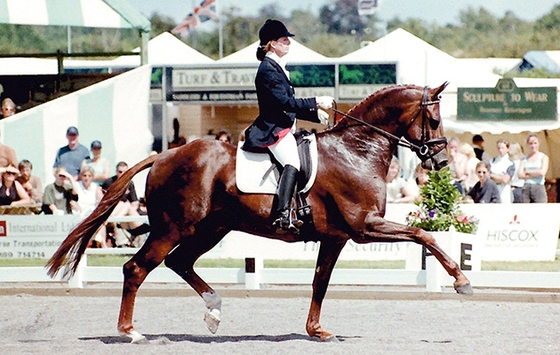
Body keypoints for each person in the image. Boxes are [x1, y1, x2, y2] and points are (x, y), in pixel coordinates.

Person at [241, 19, 333, 233]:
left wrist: (315, 116)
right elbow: (284, 103)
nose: (288, 43)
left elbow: (288, 107)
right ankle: (282, 215)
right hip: (272, 130)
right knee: (293, 162)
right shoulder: (268, 69)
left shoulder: (276, 67)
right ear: (272, 43)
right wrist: (315, 101)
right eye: (284, 40)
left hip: (284, 127)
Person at [103, 161, 149, 247]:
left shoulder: (130, 183)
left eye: (125, 172)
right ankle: (116, 220)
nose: (123, 174)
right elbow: (105, 202)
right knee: (122, 204)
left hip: (128, 218)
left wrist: (127, 211)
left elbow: (134, 203)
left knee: (126, 205)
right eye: (120, 172)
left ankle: (115, 220)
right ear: (116, 172)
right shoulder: (109, 183)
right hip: (118, 214)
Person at [73, 165, 106, 247]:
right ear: (81, 176)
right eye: (84, 175)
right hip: (79, 213)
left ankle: (102, 245)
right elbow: (71, 200)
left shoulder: (95, 187)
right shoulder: (77, 186)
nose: (86, 178)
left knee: (101, 221)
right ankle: (99, 243)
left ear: (92, 177)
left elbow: (102, 202)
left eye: (89, 176)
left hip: (92, 213)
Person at [518, 133, 549, 203]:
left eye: (535, 143)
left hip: (539, 186)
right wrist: (535, 173)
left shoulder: (543, 157)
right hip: (526, 187)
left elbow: (542, 172)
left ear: (538, 144)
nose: (533, 146)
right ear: (528, 145)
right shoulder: (524, 159)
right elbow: (520, 175)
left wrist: (527, 172)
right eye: (531, 143)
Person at [489, 139, 515, 204]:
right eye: (499, 148)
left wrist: (494, 176)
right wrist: (500, 177)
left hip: (504, 189)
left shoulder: (510, 163)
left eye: (503, 148)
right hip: (493, 188)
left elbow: (505, 180)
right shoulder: (492, 161)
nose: (500, 150)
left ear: (507, 148)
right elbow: (488, 176)